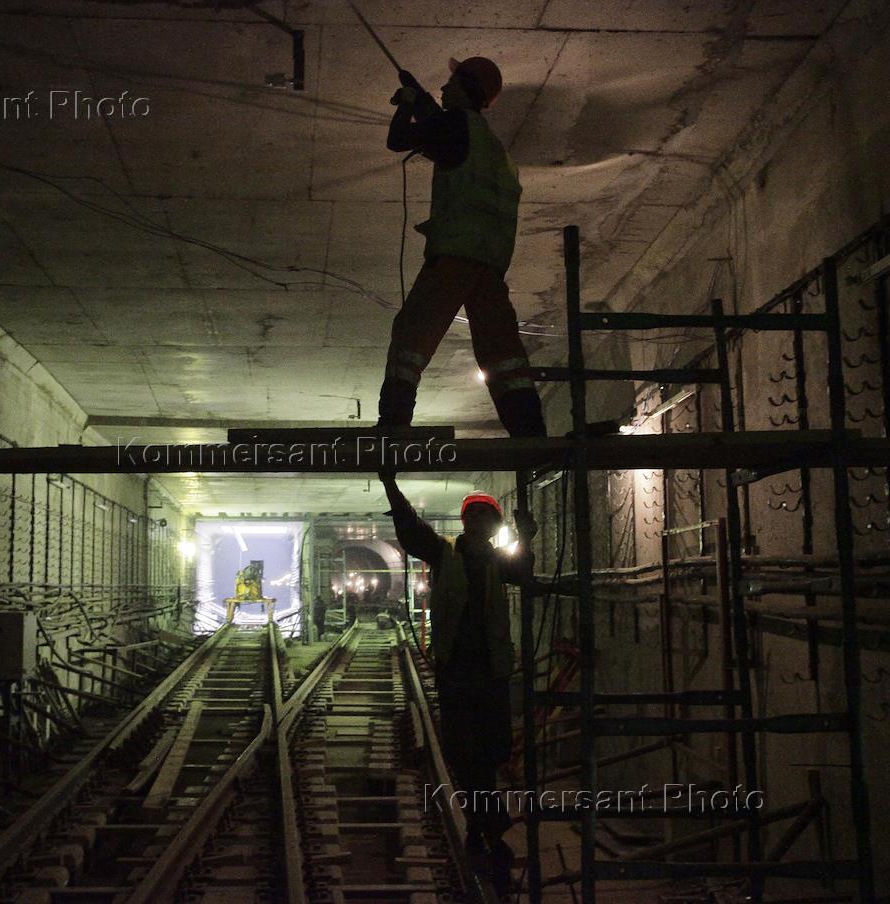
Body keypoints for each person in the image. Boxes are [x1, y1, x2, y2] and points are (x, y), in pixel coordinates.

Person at [381, 469, 536, 898]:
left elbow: (524, 572)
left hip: (490, 674)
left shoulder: (499, 562)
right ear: (466, 522)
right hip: (458, 674)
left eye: (488, 517)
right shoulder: (444, 552)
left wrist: (527, 538)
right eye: (476, 515)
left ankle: (481, 827)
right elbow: (411, 531)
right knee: (467, 758)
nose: (480, 522)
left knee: (489, 755)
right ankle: (491, 832)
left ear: (494, 525)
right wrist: (391, 487)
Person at [378, 57, 546, 439]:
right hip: (489, 265)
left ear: (465, 87)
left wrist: (407, 103)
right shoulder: (491, 147)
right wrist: (421, 100)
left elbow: (398, 140)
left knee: (411, 338)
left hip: (454, 256)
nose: (442, 88)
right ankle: (531, 438)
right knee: (502, 355)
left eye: (450, 82)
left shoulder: (455, 126)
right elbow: (447, 135)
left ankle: (392, 428)